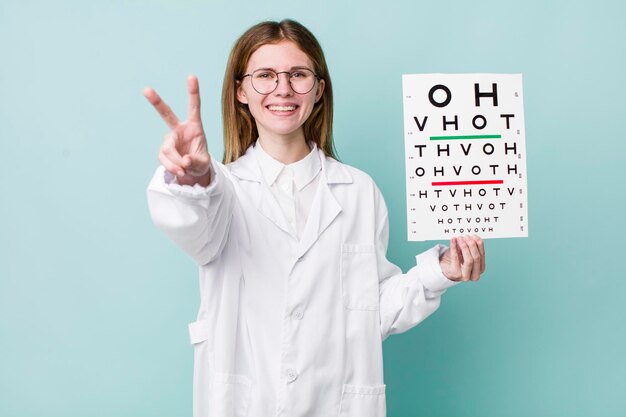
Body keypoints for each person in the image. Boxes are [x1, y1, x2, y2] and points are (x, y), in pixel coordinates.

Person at [145, 19, 485, 417]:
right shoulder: (222, 189)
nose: (283, 88)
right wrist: (195, 179)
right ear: (240, 91)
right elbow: (192, 224)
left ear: (319, 90)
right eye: (265, 76)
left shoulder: (359, 191)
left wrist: (441, 271)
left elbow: (372, 312)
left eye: (298, 74)